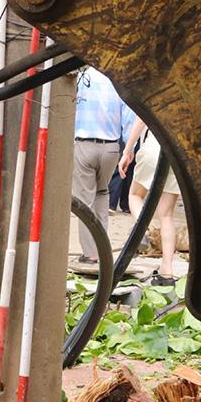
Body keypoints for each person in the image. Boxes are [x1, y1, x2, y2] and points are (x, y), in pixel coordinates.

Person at [72, 66, 136, 270]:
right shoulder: (118, 79)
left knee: (84, 201)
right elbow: (128, 117)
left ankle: (90, 254)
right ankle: (102, 249)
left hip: (84, 144)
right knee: (102, 194)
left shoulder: (81, 78)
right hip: (111, 148)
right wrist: (129, 148)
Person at [119, 116, 182, 286]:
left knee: (134, 195)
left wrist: (127, 151)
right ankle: (167, 271)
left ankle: (144, 231)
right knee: (166, 215)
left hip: (154, 149)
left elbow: (141, 120)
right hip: (177, 154)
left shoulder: (160, 93)